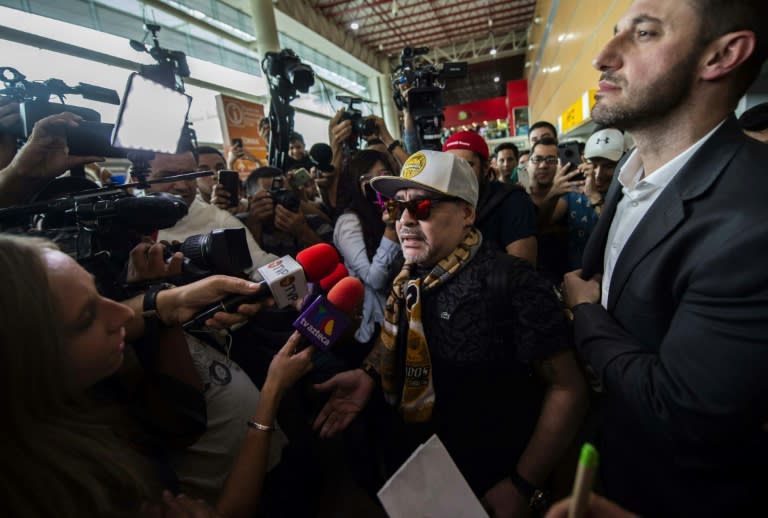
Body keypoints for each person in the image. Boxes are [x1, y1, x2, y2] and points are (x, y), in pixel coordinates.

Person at [562, 1, 768, 516]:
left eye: (644, 34)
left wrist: (585, 313)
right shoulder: (633, 171)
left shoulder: (753, 217)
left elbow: (680, 409)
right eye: (614, 33)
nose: (604, 56)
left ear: (721, 55)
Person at [315, 150, 588, 517]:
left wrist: (523, 483)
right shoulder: (407, 277)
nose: (406, 221)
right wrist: (368, 373)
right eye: (398, 208)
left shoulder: (512, 281)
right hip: (419, 470)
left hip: (490, 479)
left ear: (467, 213)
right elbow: (397, 338)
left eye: (423, 206)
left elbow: (568, 388)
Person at [0, 234, 313, 517]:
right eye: (87, 317)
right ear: (28, 361)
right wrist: (272, 390)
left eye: (100, 294)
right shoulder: (71, 488)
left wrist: (166, 301)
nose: (123, 313)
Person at [136, 151, 277, 280]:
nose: (182, 186)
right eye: (167, 176)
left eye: (189, 175)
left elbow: (263, 265)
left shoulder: (219, 219)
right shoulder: (119, 225)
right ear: (137, 179)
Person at [332, 149, 401, 356]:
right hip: (375, 327)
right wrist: (390, 231)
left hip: (403, 317)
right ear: (355, 184)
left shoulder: (398, 210)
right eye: (366, 178)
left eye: (383, 175)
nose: (376, 183)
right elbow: (374, 279)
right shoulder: (349, 223)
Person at [442, 131, 538, 264]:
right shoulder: (441, 202)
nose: (457, 174)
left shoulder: (513, 200)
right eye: (451, 166)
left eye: (466, 165)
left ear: (486, 167)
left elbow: (523, 272)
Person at [540, 128, 624, 270]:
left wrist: (594, 196)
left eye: (609, 166)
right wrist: (553, 193)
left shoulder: (627, 194)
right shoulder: (575, 189)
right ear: (583, 160)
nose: (598, 174)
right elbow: (542, 224)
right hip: (575, 275)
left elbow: (619, 236)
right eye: (593, 165)